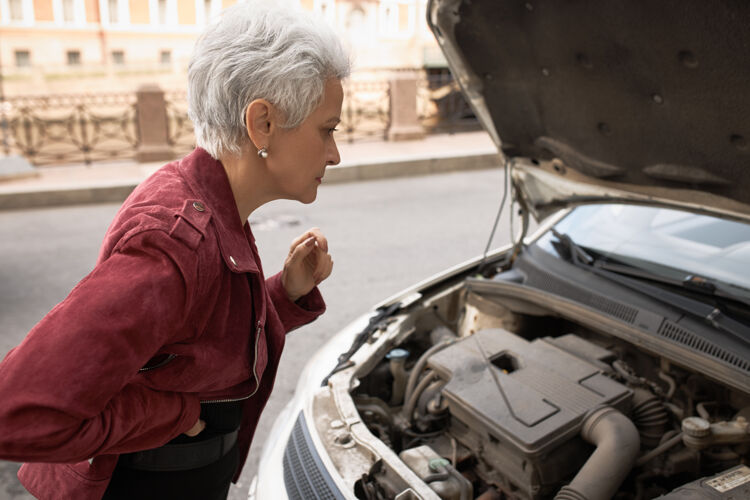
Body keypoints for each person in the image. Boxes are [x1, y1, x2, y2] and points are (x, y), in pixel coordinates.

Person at [0, 1, 350, 498]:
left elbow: (197, 347)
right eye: (327, 129)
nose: (335, 153)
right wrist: (174, 414)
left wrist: (283, 294)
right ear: (263, 124)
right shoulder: (174, 243)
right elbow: (18, 409)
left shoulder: (214, 202)